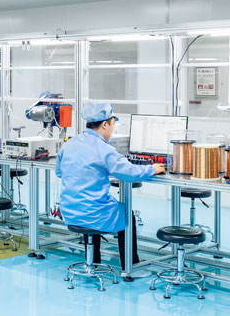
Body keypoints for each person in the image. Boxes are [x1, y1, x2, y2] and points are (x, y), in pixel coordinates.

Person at [55, 102, 165, 275]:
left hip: (70, 211)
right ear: (105, 124)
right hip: (92, 213)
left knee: (95, 207)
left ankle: (94, 260)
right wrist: (153, 169)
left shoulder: (69, 144)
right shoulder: (104, 149)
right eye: (113, 124)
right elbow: (129, 173)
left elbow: (60, 172)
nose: (112, 129)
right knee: (127, 214)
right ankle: (130, 265)